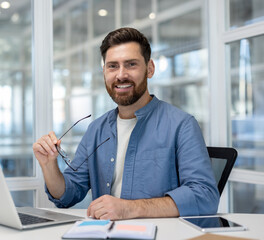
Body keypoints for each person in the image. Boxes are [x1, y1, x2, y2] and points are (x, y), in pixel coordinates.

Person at [32, 27, 219, 220]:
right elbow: (67, 195)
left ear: (150, 69)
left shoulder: (182, 125)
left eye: (131, 64)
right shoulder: (96, 128)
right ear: (104, 72)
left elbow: (205, 196)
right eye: (112, 66)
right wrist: (49, 165)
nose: (121, 75)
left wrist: (129, 208)